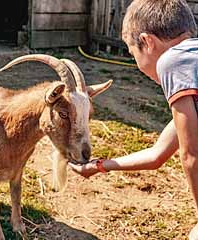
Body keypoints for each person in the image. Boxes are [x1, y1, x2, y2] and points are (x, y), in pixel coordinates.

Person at [68, 0, 198, 239]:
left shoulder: (174, 61)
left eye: (132, 53)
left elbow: (191, 157)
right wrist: (98, 166)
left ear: (147, 42)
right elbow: (158, 154)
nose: (137, 65)